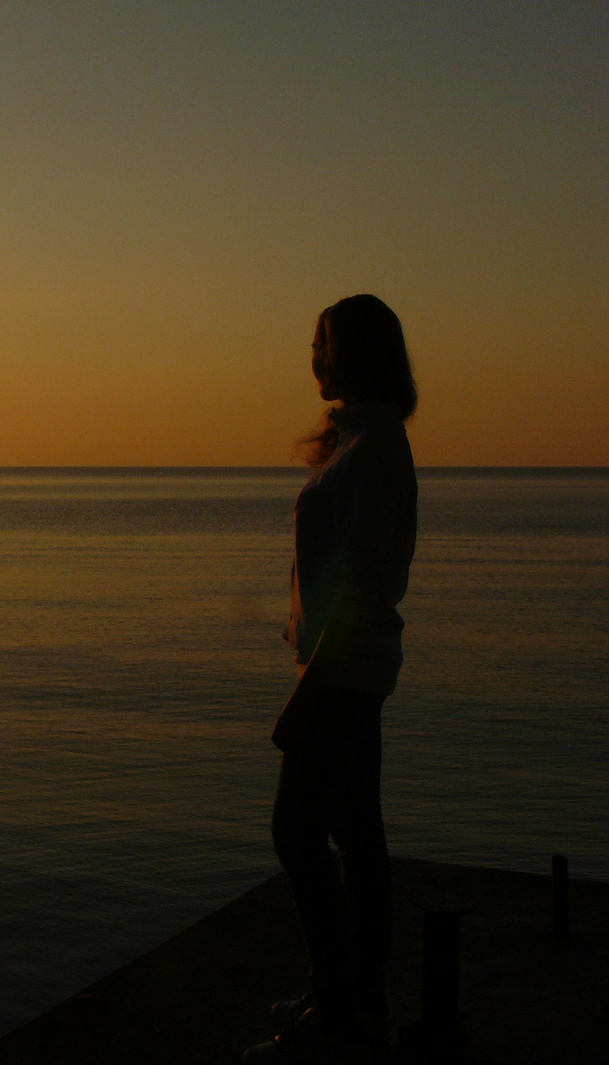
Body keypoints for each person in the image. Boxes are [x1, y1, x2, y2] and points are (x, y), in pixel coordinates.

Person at [245, 295, 418, 1064]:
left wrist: (310, 688)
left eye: (319, 343)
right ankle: (350, 1001)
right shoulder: (361, 439)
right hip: (347, 666)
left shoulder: (373, 445)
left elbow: (364, 581)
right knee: (355, 833)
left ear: (350, 351)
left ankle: (342, 1018)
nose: (311, 357)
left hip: (343, 671)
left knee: (297, 829)